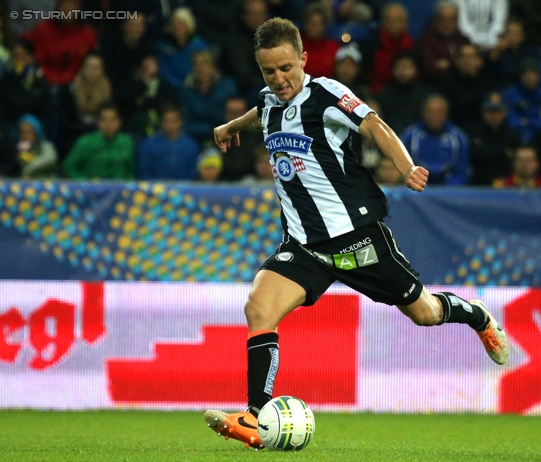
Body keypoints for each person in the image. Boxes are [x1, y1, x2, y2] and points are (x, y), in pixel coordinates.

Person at [204, 18, 508, 450]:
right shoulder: (270, 101)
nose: (280, 78)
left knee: (423, 313)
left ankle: (476, 315)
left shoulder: (326, 93)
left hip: (355, 238)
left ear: (304, 59)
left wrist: (406, 168)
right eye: (269, 71)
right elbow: (263, 114)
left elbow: (373, 125)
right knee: (259, 308)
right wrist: (232, 127)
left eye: (287, 68)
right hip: (305, 246)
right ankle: (256, 416)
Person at [400, 93, 471, 185]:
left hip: (451, 191)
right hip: (416, 189)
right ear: (423, 113)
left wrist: (447, 191)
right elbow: (403, 167)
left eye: (438, 111)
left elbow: (462, 171)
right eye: (430, 111)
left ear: (446, 114)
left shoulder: (458, 138)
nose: (434, 116)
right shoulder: (409, 136)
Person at [179, 49, 239, 145]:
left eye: (205, 64)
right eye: (196, 64)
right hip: (196, 139)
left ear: (213, 67)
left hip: (226, 136)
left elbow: (235, 115)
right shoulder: (186, 91)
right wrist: (210, 131)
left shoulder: (227, 87)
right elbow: (186, 123)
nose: (200, 68)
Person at [62, 102, 135, 179]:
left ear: (119, 122)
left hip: (120, 187)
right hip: (92, 187)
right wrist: (83, 182)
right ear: (98, 122)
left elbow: (131, 169)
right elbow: (69, 167)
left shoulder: (127, 142)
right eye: (104, 120)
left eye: (112, 120)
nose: (108, 124)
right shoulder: (85, 142)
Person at [466, 92, 521, 186]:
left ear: (505, 112)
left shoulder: (513, 135)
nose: (493, 115)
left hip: (506, 185)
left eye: (497, 111)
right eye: (490, 110)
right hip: (477, 184)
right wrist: (502, 152)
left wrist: (484, 151)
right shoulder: (471, 132)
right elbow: (471, 156)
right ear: (483, 112)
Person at [414, 0, 470, 88]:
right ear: (436, 19)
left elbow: (470, 68)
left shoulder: (463, 40)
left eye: (451, 19)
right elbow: (429, 69)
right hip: (434, 88)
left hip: (463, 88)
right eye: (443, 18)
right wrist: (457, 64)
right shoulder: (426, 40)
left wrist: (449, 64)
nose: (447, 23)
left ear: (457, 20)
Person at [137, 104, 200, 180]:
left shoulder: (190, 146)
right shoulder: (148, 145)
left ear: (180, 122)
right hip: (155, 188)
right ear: (161, 122)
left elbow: (193, 174)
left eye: (173, 121)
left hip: (184, 189)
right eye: (167, 121)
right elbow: (144, 172)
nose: (170, 125)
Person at [13, 114, 58, 179]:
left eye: (29, 133)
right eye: (22, 132)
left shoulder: (45, 145)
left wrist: (30, 168)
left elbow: (51, 158)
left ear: (37, 132)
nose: (25, 136)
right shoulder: (21, 149)